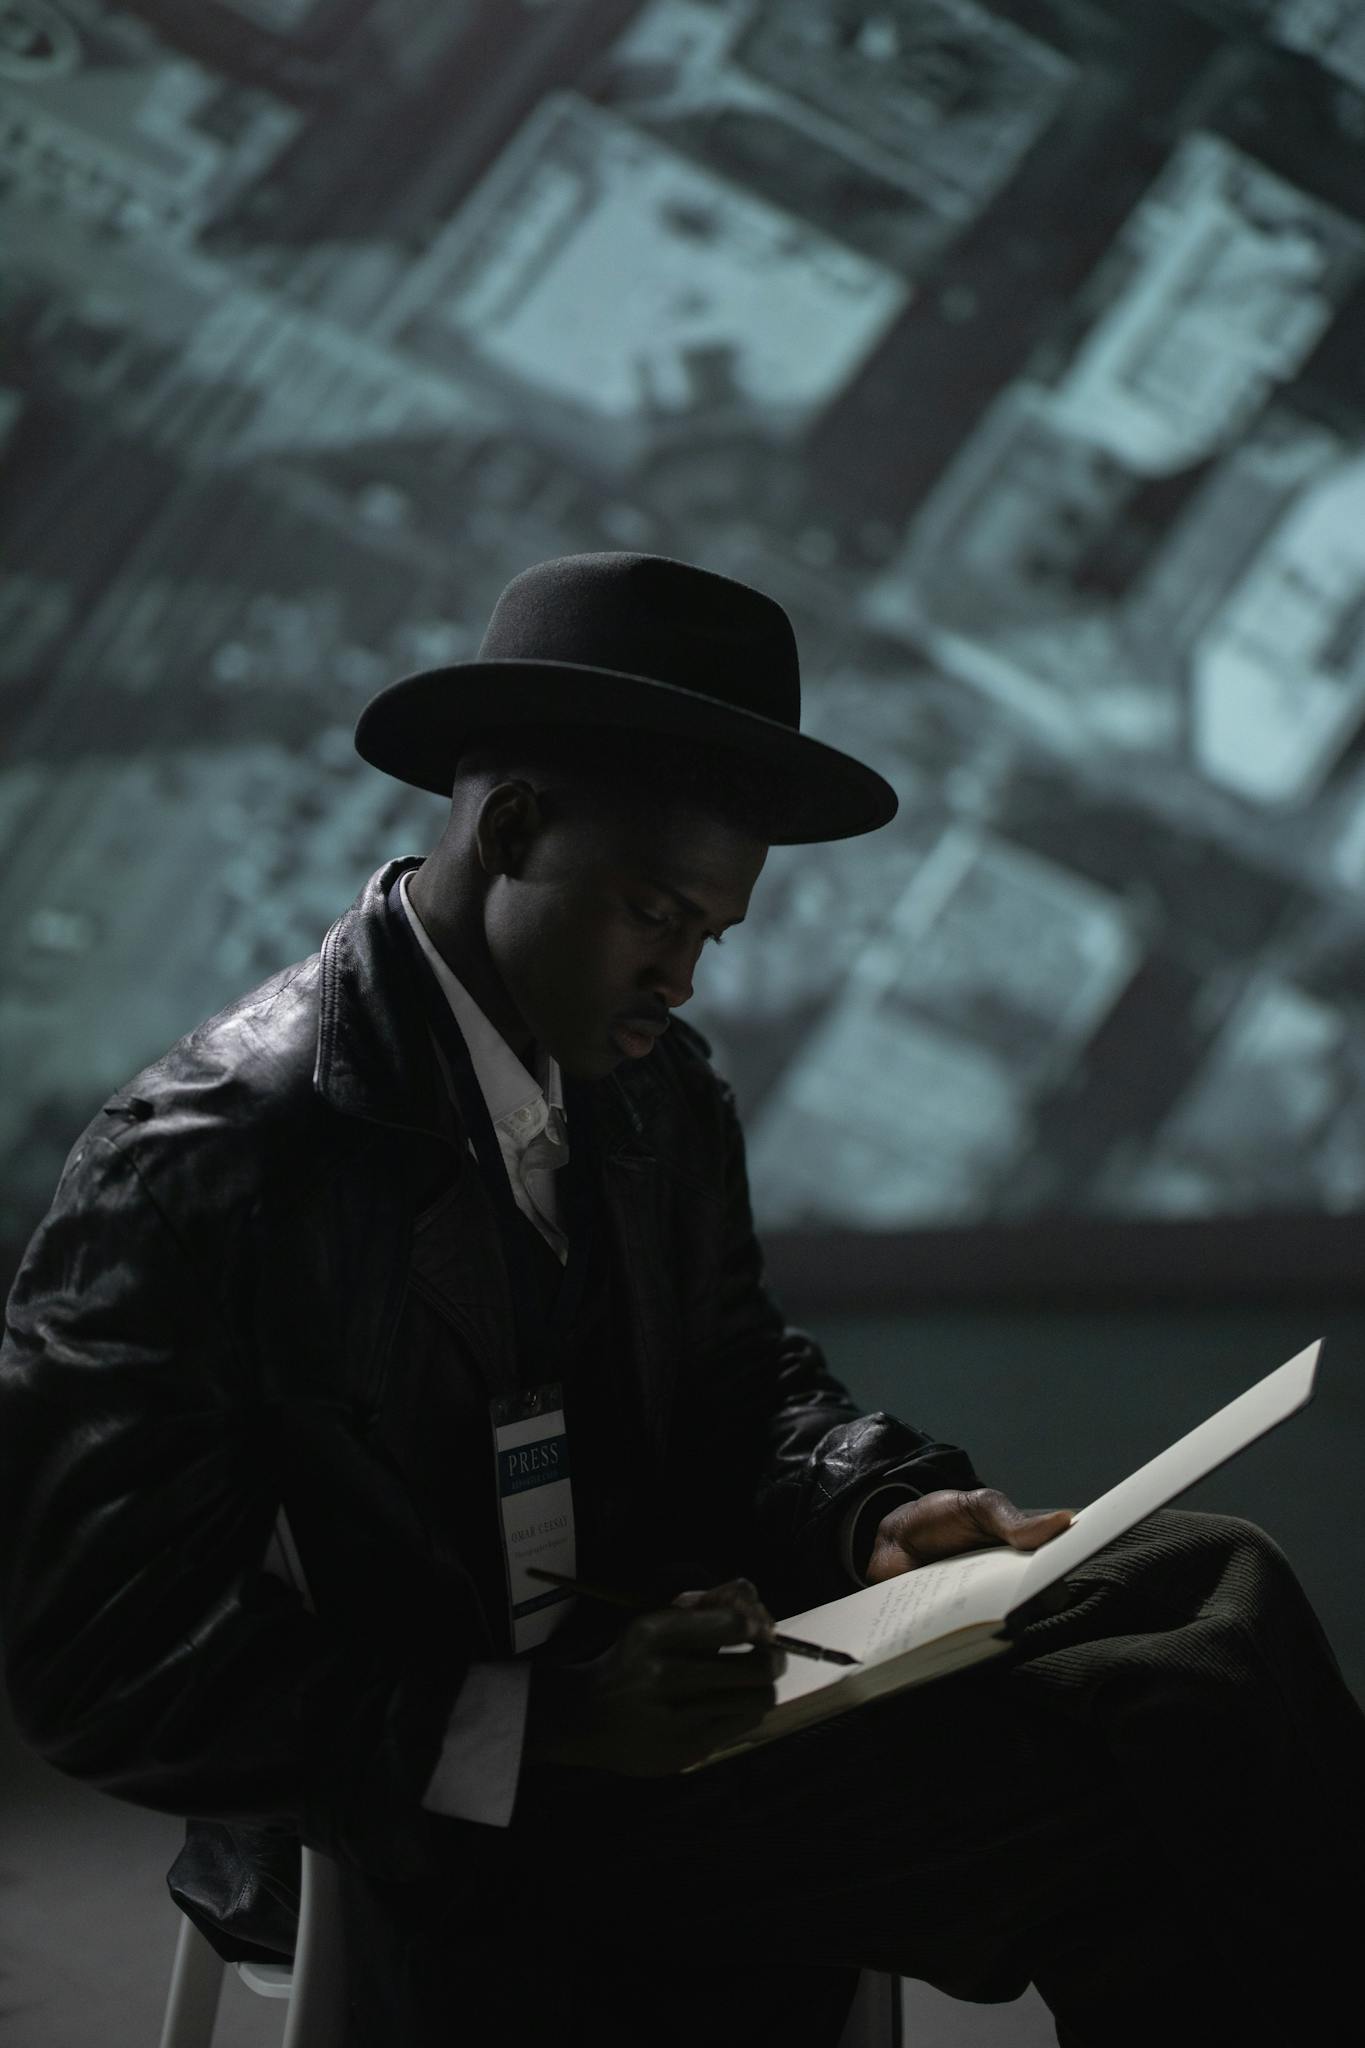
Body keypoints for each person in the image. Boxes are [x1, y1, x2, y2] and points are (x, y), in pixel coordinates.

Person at [0, 551, 1360, 2048]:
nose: (686, 978)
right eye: (657, 914)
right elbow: (92, 1663)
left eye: (713, 933)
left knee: (1205, 1582)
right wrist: (549, 1719)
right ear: (510, 827)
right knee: (1142, 1805)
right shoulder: (210, 1158)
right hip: (455, 1811)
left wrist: (872, 1507)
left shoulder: (655, 1090)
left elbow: (736, 1378)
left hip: (698, 1691)